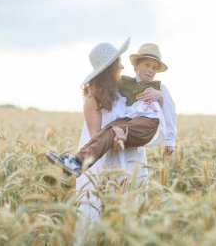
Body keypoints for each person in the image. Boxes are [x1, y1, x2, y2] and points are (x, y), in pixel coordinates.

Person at [46, 45, 168, 176]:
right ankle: (75, 165)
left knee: (114, 128)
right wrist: (117, 142)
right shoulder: (92, 96)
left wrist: (160, 97)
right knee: (112, 129)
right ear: (110, 68)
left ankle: (76, 163)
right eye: (119, 63)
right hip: (107, 163)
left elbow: (151, 114)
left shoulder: (124, 90)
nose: (122, 67)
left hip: (132, 160)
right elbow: (96, 136)